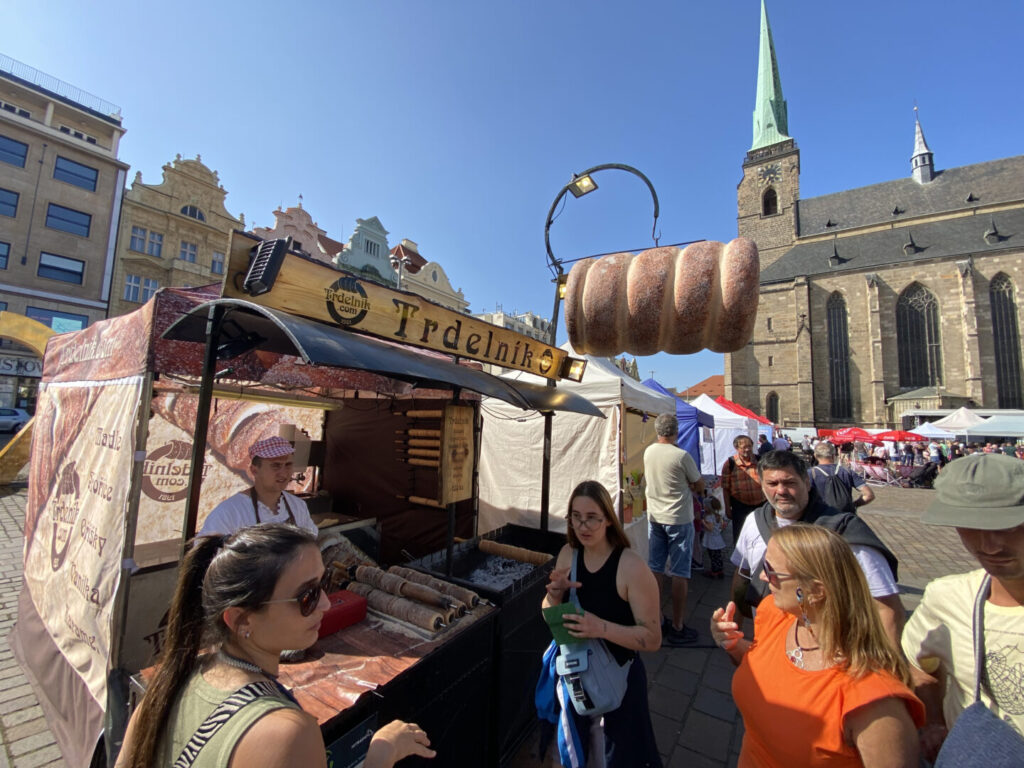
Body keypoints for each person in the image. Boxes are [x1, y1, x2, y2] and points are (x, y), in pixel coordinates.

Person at [116, 524, 433, 768]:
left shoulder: (164, 687)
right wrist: (380, 754)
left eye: (323, 585)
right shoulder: (288, 734)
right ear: (242, 620)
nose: (325, 603)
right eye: (306, 596)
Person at [711, 525, 924, 767]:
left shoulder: (874, 702)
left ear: (815, 591)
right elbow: (766, 664)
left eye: (771, 570)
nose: (761, 576)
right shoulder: (774, 613)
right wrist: (733, 644)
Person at [901, 453, 1024, 761]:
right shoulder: (948, 598)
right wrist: (933, 721)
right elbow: (918, 664)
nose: (990, 545)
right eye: (969, 527)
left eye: (1007, 527)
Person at [541, 481, 662, 767]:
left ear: (608, 518)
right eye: (576, 516)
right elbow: (550, 616)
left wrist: (600, 628)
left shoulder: (631, 567)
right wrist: (554, 595)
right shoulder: (569, 555)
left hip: (618, 682)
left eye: (592, 517)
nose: (584, 525)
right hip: (577, 678)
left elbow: (653, 638)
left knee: (616, 756)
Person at [730, 450, 905, 645]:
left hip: (832, 647)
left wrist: (889, 664)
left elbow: (885, 606)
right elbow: (743, 574)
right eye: (772, 484)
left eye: (789, 482)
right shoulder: (754, 521)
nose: (780, 490)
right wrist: (735, 626)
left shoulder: (843, 532)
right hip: (768, 639)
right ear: (761, 485)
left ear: (807, 482)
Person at [643, 413, 705, 645]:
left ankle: (657, 618)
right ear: (676, 431)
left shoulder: (649, 451)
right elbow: (698, 483)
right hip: (678, 517)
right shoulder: (681, 456)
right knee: (680, 572)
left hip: (655, 515)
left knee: (656, 568)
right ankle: (678, 625)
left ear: (658, 431)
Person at [200, 436, 318, 537]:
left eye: (288, 465)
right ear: (255, 470)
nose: (283, 473)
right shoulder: (229, 512)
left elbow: (310, 543)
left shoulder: (297, 506)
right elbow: (206, 557)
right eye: (276, 466)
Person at [721, 435, 766, 545]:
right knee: (740, 536)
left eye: (749, 446)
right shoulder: (730, 464)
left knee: (762, 535)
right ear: (737, 448)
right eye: (744, 447)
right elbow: (725, 488)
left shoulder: (761, 461)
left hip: (761, 505)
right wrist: (727, 508)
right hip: (740, 506)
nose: (747, 449)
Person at [809, 441, 875, 513]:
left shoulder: (810, 473)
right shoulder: (847, 472)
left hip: (820, 516)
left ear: (815, 456)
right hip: (845, 516)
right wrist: (853, 505)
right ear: (833, 455)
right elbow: (869, 495)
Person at [701, 496, 728, 578]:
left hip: (712, 539)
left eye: (704, 506)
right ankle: (719, 570)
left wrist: (703, 522)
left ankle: (715, 571)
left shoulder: (709, 517)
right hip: (717, 538)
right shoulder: (717, 515)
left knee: (713, 556)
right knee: (718, 556)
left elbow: (710, 528)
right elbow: (722, 526)